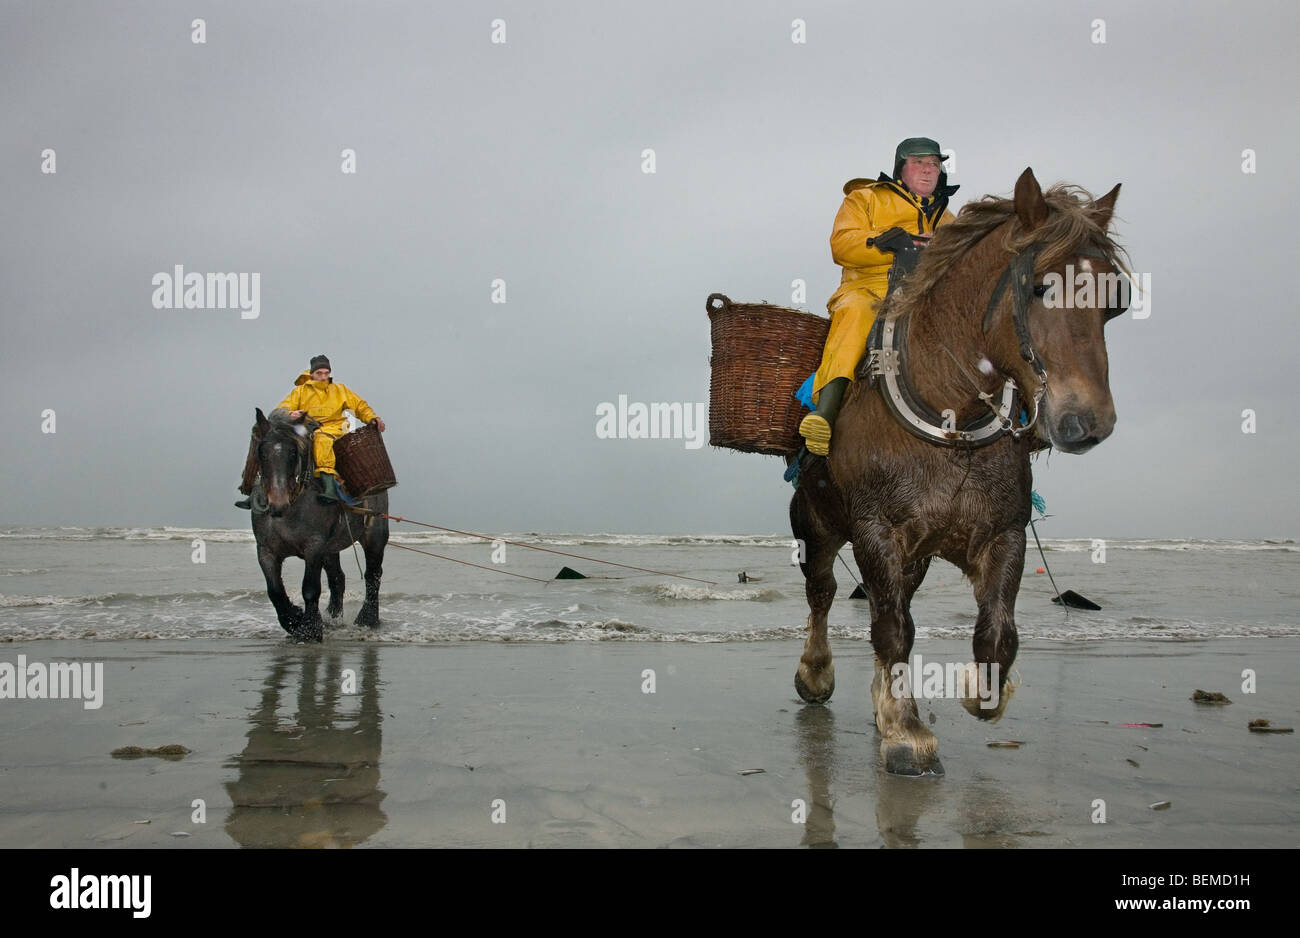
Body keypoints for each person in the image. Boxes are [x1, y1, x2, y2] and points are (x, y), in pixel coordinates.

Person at [798, 137, 959, 456]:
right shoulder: (864, 198)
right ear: (902, 167)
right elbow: (841, 245)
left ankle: (1012, 411)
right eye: (919, 163)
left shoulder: (949, 219)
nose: (928, 171)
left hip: (925, 295)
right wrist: (889, 243)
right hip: (869, 287)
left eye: (934, 165)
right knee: (857, 312)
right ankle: (825, 412)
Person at [236, 355, 386, 507]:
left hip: (334, 429)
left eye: (326, 373)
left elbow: (360, 406)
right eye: (319, 373)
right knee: (270, 442)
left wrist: (372, 418)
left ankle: (329, 487)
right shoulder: (300, 391)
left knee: (322, 438)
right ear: (312, 373)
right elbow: (279, 410)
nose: (323, 377)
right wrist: (290, 414)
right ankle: (253, 489)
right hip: (305, 429)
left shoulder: (340, 390)